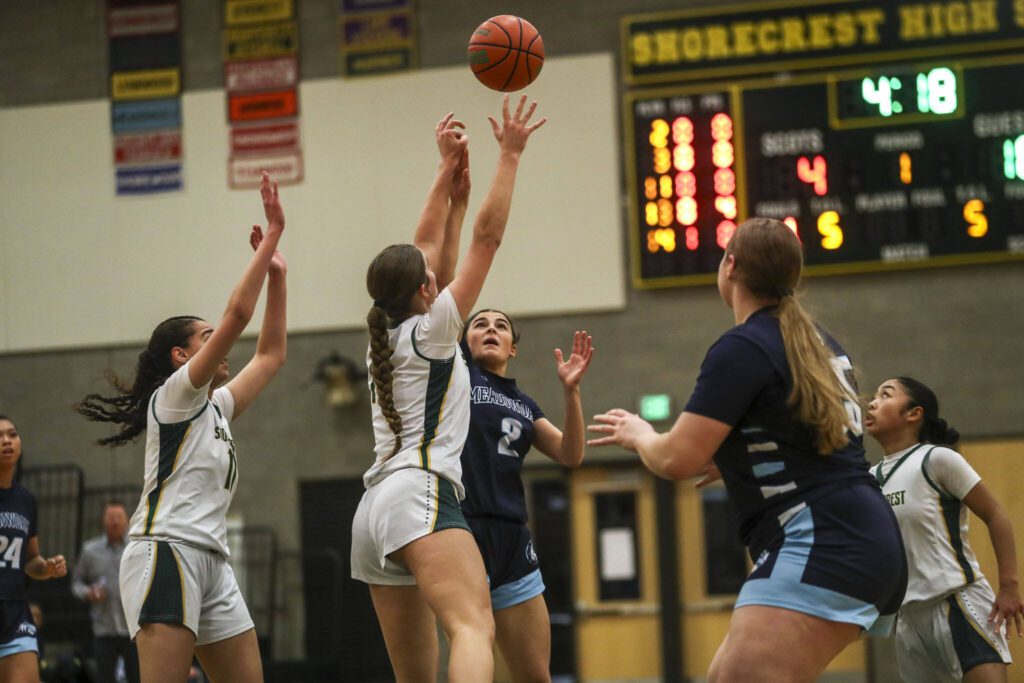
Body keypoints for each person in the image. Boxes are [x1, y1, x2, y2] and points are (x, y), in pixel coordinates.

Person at [587, 217, 908, 682]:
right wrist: (740, 458)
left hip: (826, 541)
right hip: (857, 536)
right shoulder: (821, 342)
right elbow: (809, 436)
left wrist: (641, 435)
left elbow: (676, 459)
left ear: (730, 265)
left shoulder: (742, 347)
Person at [350, 95, 546, 683]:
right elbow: (486, 241)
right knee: (472, 628)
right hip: (421, 492)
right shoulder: (434, 331)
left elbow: (425, 248)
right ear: (426, 289)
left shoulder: (385, 334)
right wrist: (507, 155)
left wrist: (446, 177)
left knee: (416, 676)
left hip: (373, 511)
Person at [75, 172, 288, 683]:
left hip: (213, 558)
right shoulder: (174, 397)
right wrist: (273, 233)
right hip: (167, 550)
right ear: (181, 355)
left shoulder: (215, 406)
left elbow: (272, 354)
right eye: (208, 339)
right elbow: (238, 314)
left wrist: (278, 275)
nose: (222, 345)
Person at [458, 310, 591, 683]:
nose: (490, 329)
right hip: (465, 530)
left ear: (512, 349)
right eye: (479, 324)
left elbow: (571, 455)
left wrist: (571, 390)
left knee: (535, 674)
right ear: (463, 341)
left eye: (500, 326)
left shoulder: (525, 403)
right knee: (475, 641)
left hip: (514, 538)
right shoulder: (457, 378)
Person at [866, 377, 1023, 682]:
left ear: (914, 413)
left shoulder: (937, 458)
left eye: (885, 395)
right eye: (874, 396)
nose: (872, 403)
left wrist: (1010, 586)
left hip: (957, 604)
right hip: (908, 618)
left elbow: (996, 514)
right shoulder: (870, 479)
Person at [0, 415, 68, 683]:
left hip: (15, 613)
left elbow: (31, 560)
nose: (7, 440)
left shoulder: (26, 500)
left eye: (13, 434)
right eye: (0, 436)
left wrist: (47, 568)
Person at [72, 500, 139, 683]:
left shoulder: (137, 548)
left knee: (138, 678)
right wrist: (88, 593)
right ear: (104, 520)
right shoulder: (90, 550)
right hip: (103, 628)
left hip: (134, 629)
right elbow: (76, 583)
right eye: (111, 517)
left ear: (127, 520)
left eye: (119, 517)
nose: (115, 521)